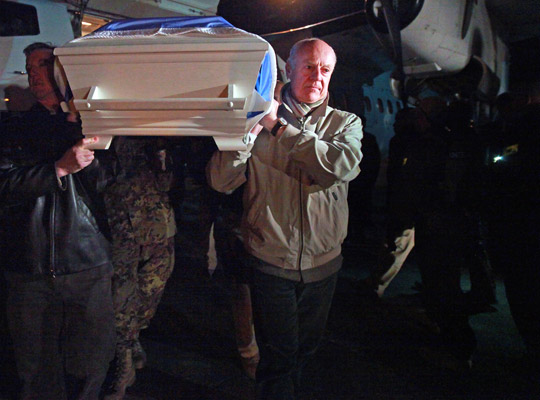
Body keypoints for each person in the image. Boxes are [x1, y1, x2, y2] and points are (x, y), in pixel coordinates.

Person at [207, 38, 363, 399]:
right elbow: (220, 181)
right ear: (288, 70)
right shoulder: (256, 117)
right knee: (278, 359)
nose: (317, 76)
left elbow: (337, 167)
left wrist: (278, 127)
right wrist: (243, 139)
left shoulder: (345, 124)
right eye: (308, 66)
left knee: (306, 352)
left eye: (325, 69)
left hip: (323, 265)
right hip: (270, 261)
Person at [0, 42, 115, 400]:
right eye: (29, 66)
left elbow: (110, 184)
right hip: (29, 266)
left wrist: (89, 155)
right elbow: (5, 184)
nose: (34, 73)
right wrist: (58, 168)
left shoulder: (89, 122)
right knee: (32, 370)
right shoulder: (15, 127)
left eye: (44, 64)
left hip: (86, 264)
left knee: (90, 366)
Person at [102, 136, 177, 399]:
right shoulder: (106, 129)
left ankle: (133, 338)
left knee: (150, 289)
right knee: (120, 293)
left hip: (155, 222)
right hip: (118, 223)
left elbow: (168, 181)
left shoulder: (156, 136)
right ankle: (123, 359)